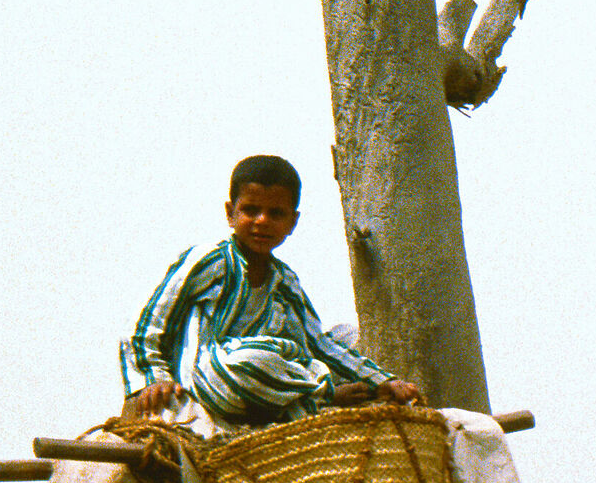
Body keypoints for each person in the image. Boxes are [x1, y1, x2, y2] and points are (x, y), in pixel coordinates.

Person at [121, 155, 420, 426]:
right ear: (230, 213)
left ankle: (312, 393)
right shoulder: (208, 260)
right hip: (217, 378)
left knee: (347, 335)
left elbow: (319, 343)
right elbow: (149, 324)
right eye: (250, 210)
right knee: (248, 360)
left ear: (292, 222)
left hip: (270, 378)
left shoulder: (284, 279)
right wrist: (153, 379)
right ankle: (323, 393)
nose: (261, 221)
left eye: (275, 214)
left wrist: (383, 380)